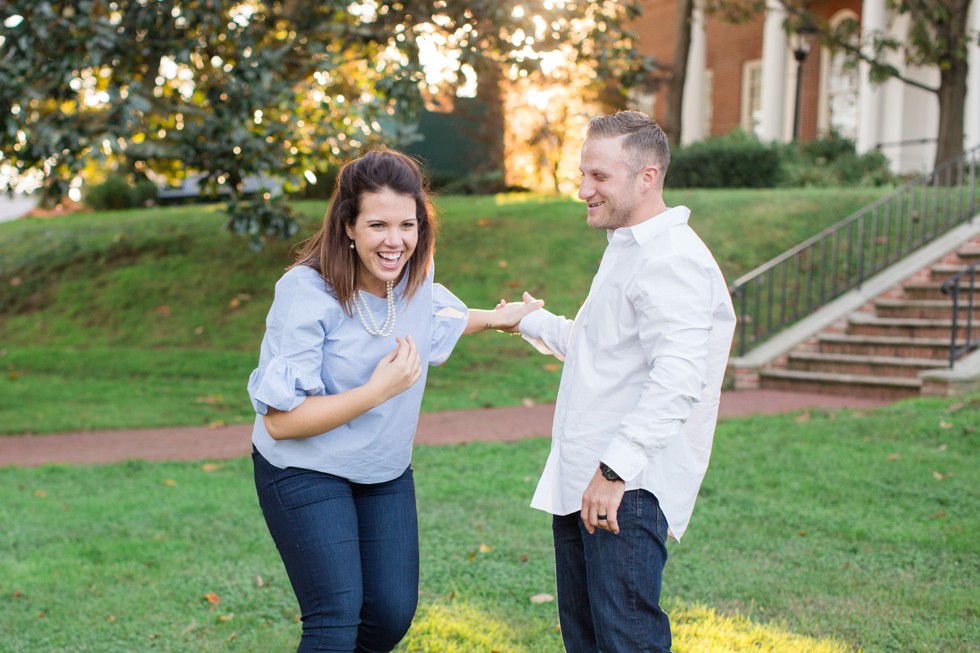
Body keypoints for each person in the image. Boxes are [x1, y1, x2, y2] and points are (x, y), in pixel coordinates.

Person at [247, 148, 540, 653]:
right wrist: (374, 393)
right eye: (378, 224)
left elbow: (438, 320)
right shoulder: (305, 293)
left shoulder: (414, 281)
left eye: (408, 225)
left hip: (382, 469)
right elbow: (281, 422)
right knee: (336, 618)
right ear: (348, 226)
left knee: (388, 615)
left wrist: (496, 318)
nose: (395, 241)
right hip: (303, 468)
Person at [513, 111, 736, 652]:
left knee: (626, 641)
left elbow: (679, 378)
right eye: (583, 174)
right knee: (587, 640)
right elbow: (601, 348)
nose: (584, 190)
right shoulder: (629, 250)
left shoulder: (671, 259)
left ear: (647, 177)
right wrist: (528, 321)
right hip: (585, 479)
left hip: (623, 489)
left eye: (600, 177)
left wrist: (614, 471)